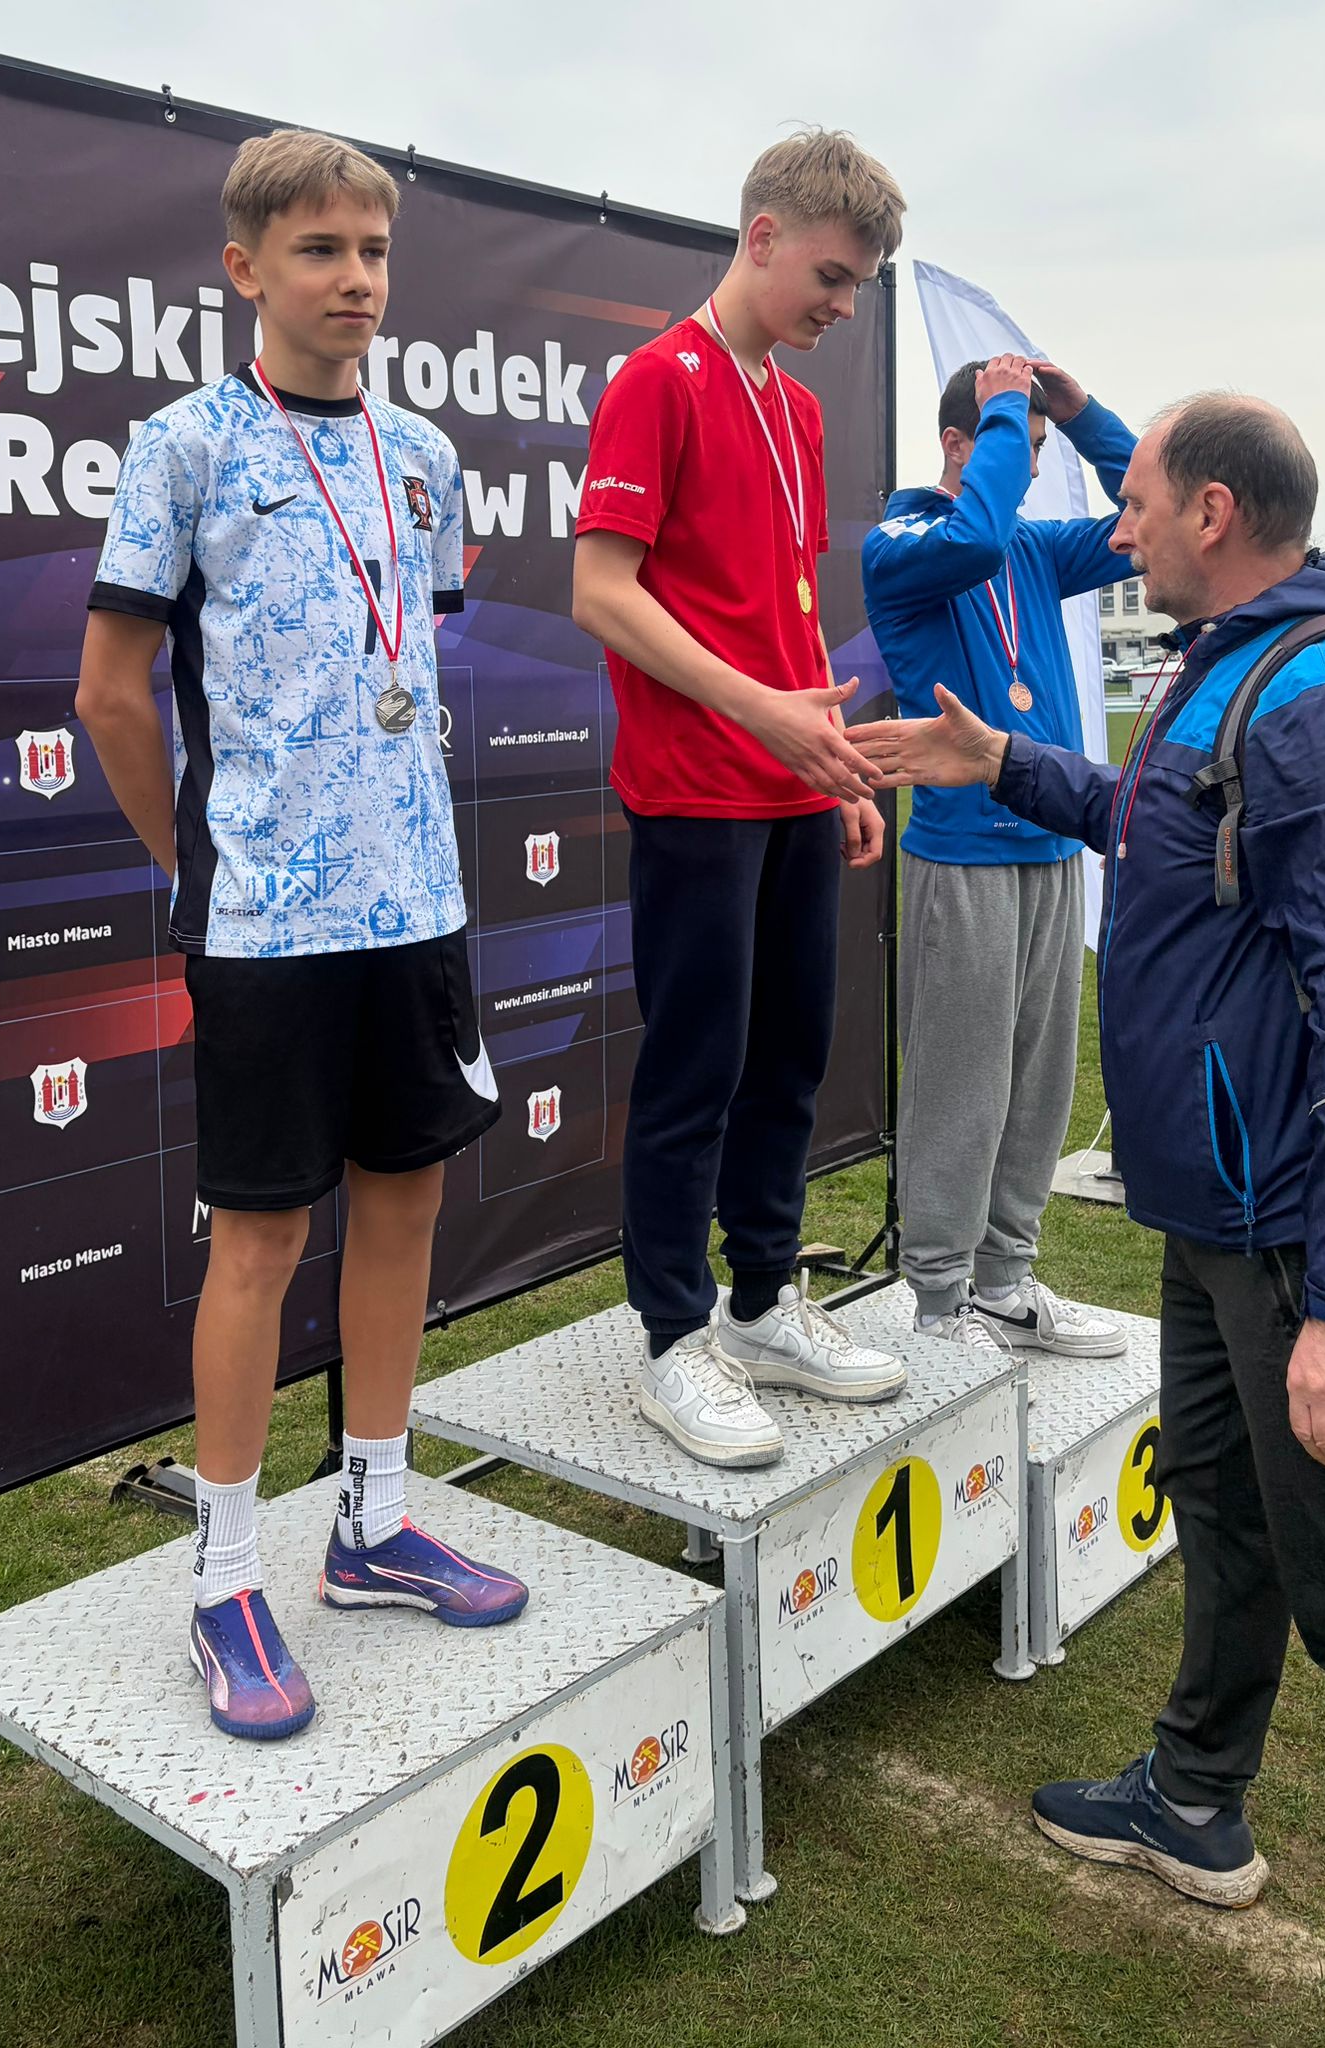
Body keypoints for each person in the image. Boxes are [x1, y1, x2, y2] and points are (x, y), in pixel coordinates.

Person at [856, 395, 1325, 2048]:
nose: (1119, 524)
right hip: (1222, 1219)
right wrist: (1001, 762)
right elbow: (1156, 828)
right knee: (1225, 1524)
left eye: (1138, 498)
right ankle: (1194, 1792)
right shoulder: (1233, 666)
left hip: (1308, 1241)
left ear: (1212, 512)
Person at [77, 130, 526, 1743]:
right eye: (321, 250)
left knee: (404, 1205)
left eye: (373, 252)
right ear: (245, 268)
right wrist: (194, 862)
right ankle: (221, 1580)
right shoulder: (183, 447)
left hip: (417, 907)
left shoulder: (424, 454)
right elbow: (110, 693)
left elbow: (408, 655)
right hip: (265, 921)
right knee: (259, 1242)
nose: (355, 280)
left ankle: (375, 1522)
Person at [571, 130, 908, 1469]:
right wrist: (759, 712)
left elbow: (789, 605)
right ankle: (672, 1335)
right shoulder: (657, 381)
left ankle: (763, 1302)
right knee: (696, 1065)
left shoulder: (798, 408)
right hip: (694, 791)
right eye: (829, 275)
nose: (842, 304)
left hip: (787, 787)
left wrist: (826, 758)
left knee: (791, 1056)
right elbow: (602, 592)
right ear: (761, 236)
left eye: (857, 285)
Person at [862, 351, 1132, 1361]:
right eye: (1014, 443)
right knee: (960, 1083)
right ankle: (939, 1303)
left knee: (1038, 1079)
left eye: (1037, 446)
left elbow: (1150, 521)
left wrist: (1084, 415)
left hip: (1051, 842)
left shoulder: (1035, 548)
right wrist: (1007, 405)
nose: (1029, 465)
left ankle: (1006, 1281)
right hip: (962, 854)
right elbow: (972, 536)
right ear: (956, 445)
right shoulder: (902, 542)